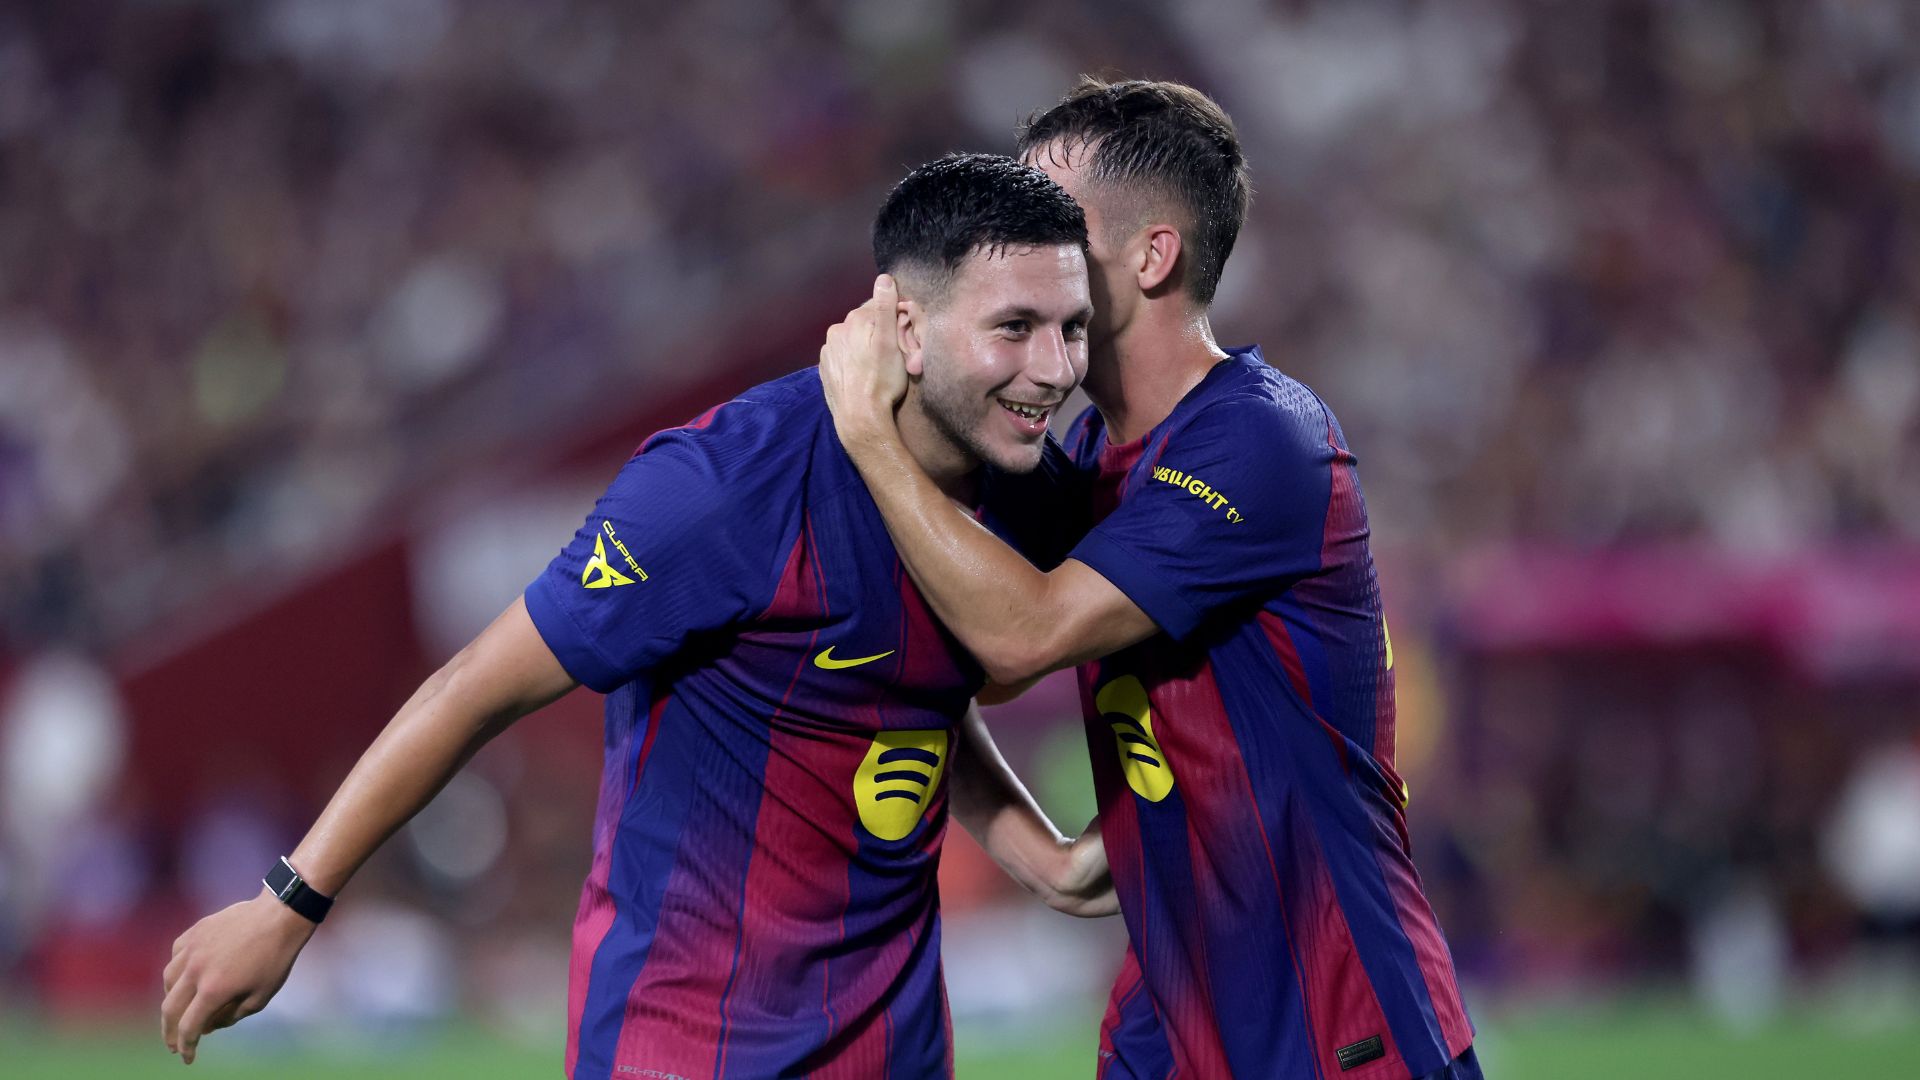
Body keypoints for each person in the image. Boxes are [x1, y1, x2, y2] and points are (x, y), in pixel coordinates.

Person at [162, 152, 1115, 1079]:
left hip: (895, 1047)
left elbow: (912, 692)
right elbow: (469, 693)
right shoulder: (723, 488)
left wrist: (1038, 851)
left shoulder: (1025, 493)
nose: (1054, 367)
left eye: (1072, 329)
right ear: (904, 327)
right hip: (687, 1041)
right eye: (1015, 327)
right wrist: (289, 903)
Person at [817, 79, 1480, 1079]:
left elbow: (1020, 638)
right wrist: (1034, 851)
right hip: (1166, 1026)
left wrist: (869, 435)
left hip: (1331, 1029)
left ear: (1152, 255)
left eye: (1047, 212)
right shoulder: (1089, 453)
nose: (1011, 239)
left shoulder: (1260, 437)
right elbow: (956, 661)